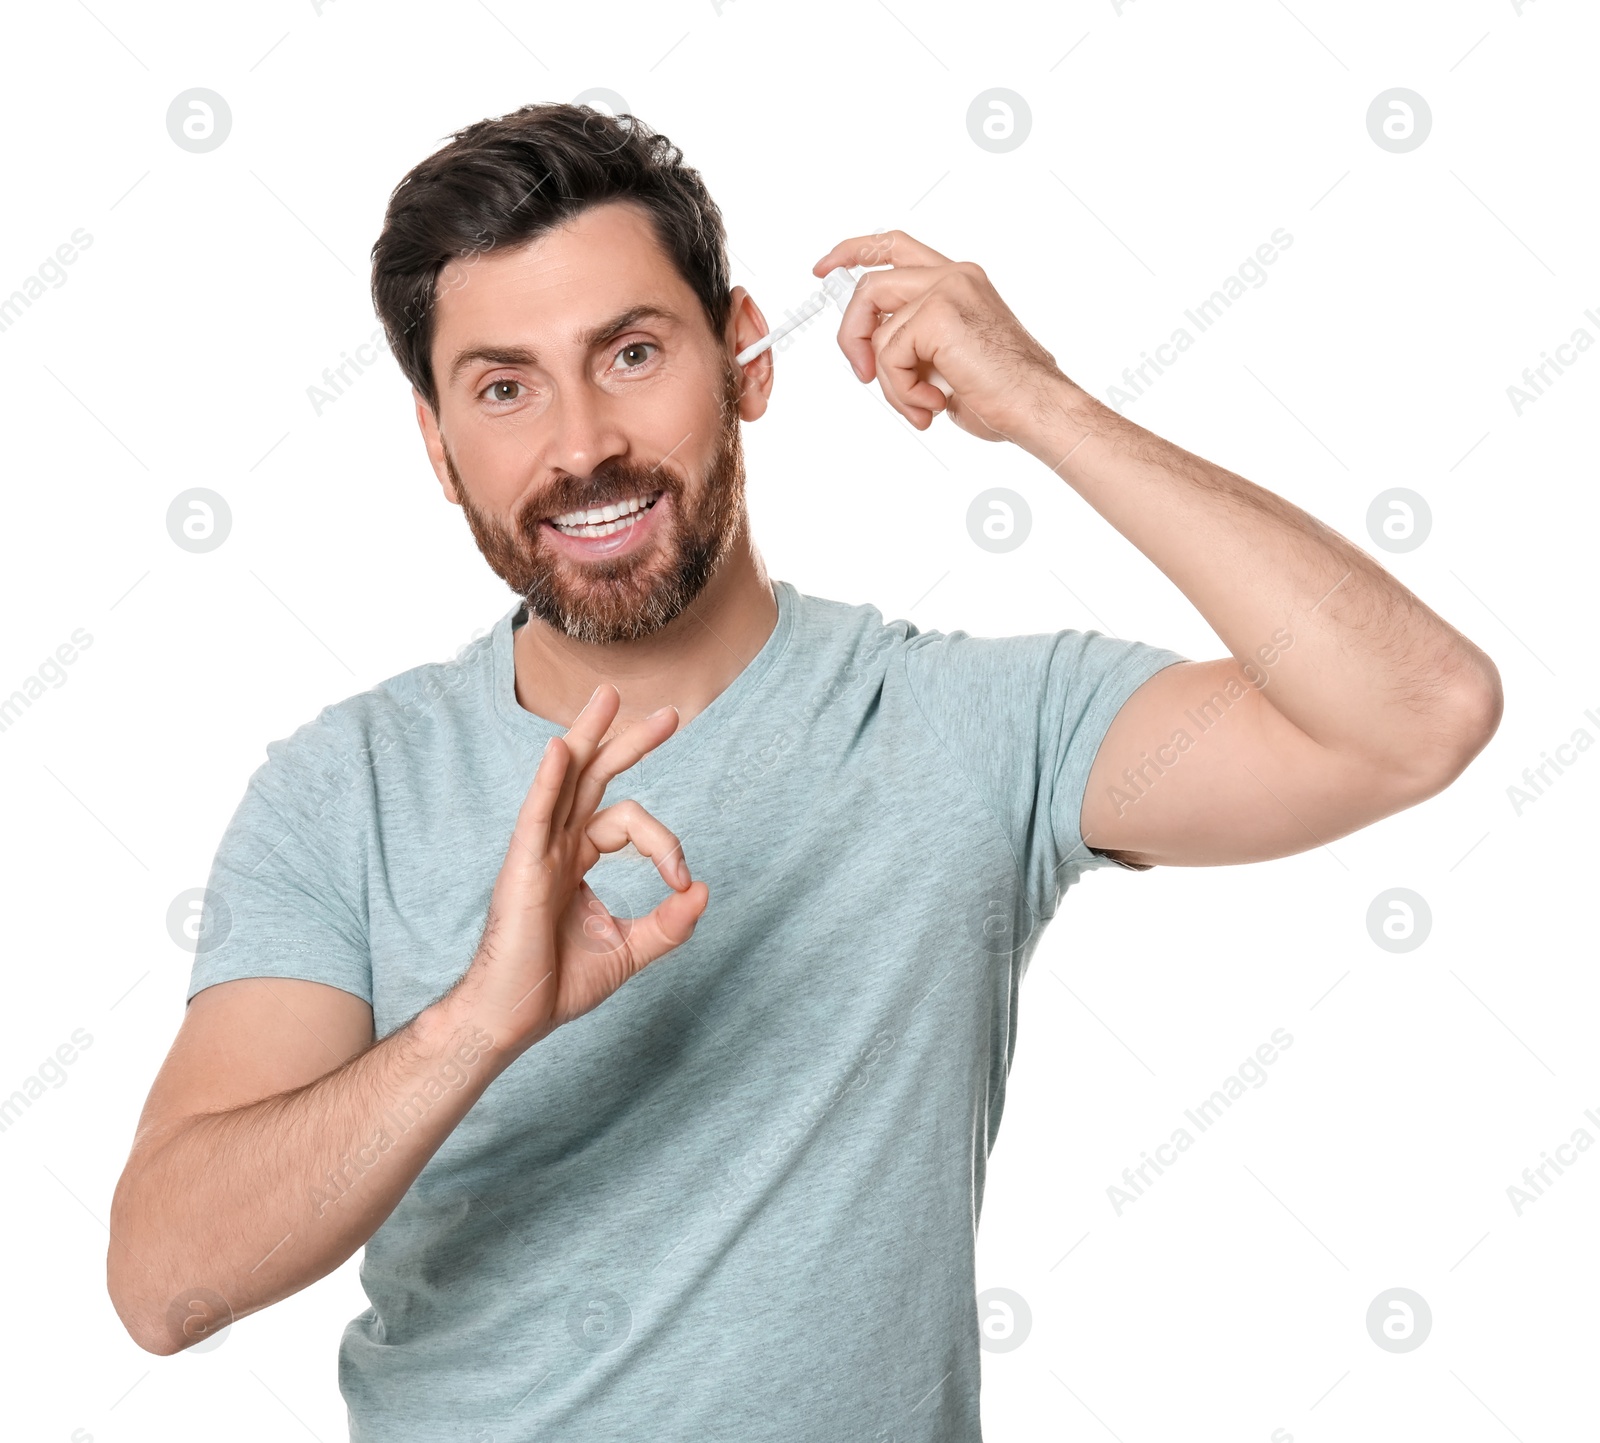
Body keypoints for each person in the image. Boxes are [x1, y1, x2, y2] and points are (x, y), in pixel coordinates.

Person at [106, 102, 1501, 1441]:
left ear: (744, 360)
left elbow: (1415, 714)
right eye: (503, 387)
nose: (581, 441)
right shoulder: (342, 789)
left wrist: (1042, 404)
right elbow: (164, 1285)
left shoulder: (970, 724)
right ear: (437, 444)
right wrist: (479, 1020)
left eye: (633, 354)